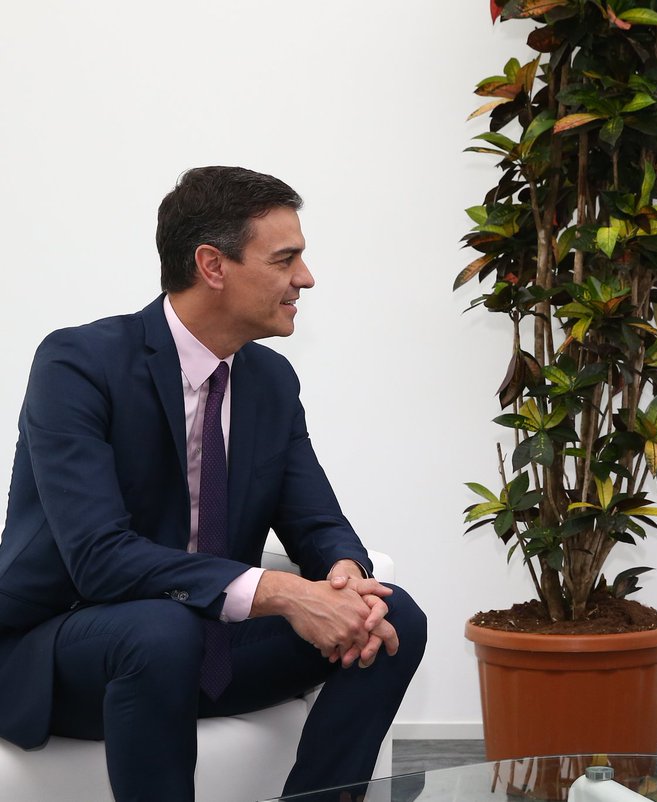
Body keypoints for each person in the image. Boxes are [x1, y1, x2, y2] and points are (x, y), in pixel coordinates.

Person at [0, 166, 427, 801]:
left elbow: (316, 520)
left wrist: (344, 579)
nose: (305, 279)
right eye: (286, 260)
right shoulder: (78, 364)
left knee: (393, 618)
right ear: (213, 265)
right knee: (159, 631)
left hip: (202, 647)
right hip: (69, 651)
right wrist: (284, 593)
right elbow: (98, 560)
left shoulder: (271, 381)